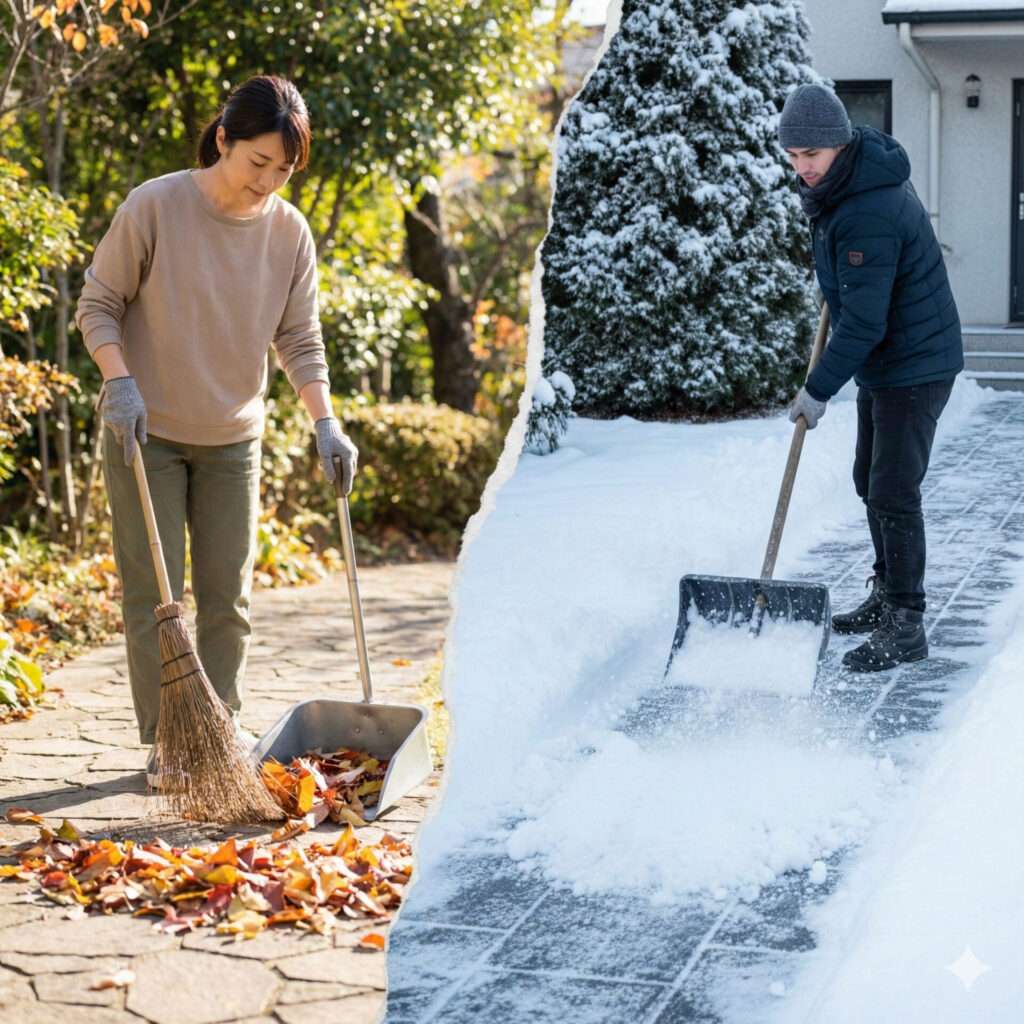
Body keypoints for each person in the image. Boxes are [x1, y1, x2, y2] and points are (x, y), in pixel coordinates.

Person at [75, 75, 358, 780]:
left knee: (228, 598)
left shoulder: (289, 233)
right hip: (148, 432)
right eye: (257, 162)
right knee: (156, 597)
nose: (268, 181)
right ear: (224, 140)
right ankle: (169, 742)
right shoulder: (156, 206)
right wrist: (120, 380)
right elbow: (98, 304)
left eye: (284, 170)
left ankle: (218, 730)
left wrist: (327, 425)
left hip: (234, 436)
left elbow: (300, 340)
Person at [778, 83, 963, 672]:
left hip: (918, 361)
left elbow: (862, 323)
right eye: (794, 156)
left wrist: (817, 390)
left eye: (812, 155)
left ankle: (906, 622)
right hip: (892, 358)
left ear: (838, 144)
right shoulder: (845, 187)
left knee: (893, 488)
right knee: (869, 479)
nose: (803, 167)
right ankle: (886, 596)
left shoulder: (867, 209)